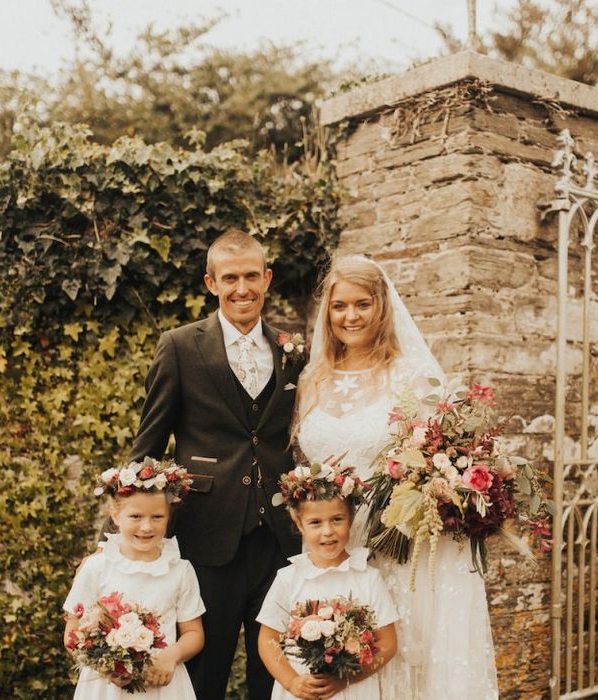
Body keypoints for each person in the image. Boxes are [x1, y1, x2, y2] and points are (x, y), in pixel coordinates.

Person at [294, 255, 499, 699]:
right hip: (334, 539)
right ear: (326, 313)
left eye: (362, 304)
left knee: (408, 650)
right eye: (339, 306)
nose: (350, 316)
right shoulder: (312, 377)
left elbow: (442, 453)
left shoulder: (411, 375)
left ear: (382, 306)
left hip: (401, 541)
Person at [128, 229, 304, 699]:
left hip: (280, 537)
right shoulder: (181, 345)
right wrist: (130, 533)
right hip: (208, 537)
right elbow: (148, 445)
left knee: (276, 672)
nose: (242, 288)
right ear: (211, 282)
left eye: (251, 276)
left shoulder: (294, 349)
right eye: (230, 278)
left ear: (267, 278)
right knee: (205, 673)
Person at [63, 458, 205, 699]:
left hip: (162, 686)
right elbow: (72, 633)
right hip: (106, 687)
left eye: (157, 517)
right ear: (115, 515)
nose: (147, 527)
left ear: (169, 516)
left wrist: (172, 655)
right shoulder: (97, 567)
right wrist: (107, 665)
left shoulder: (180, 570)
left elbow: (194, 634)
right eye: (136, 516)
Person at [257, 460, 398, 700]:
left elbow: (388, 643)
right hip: (303, 688)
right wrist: (292, 682)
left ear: (351, 520)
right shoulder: (289, 578)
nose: (327, 531)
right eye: (315, 523)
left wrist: (349, 678)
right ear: (299, 524)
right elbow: (267, 638)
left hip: (353, 689)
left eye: (337, 520)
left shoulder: (368, 578)